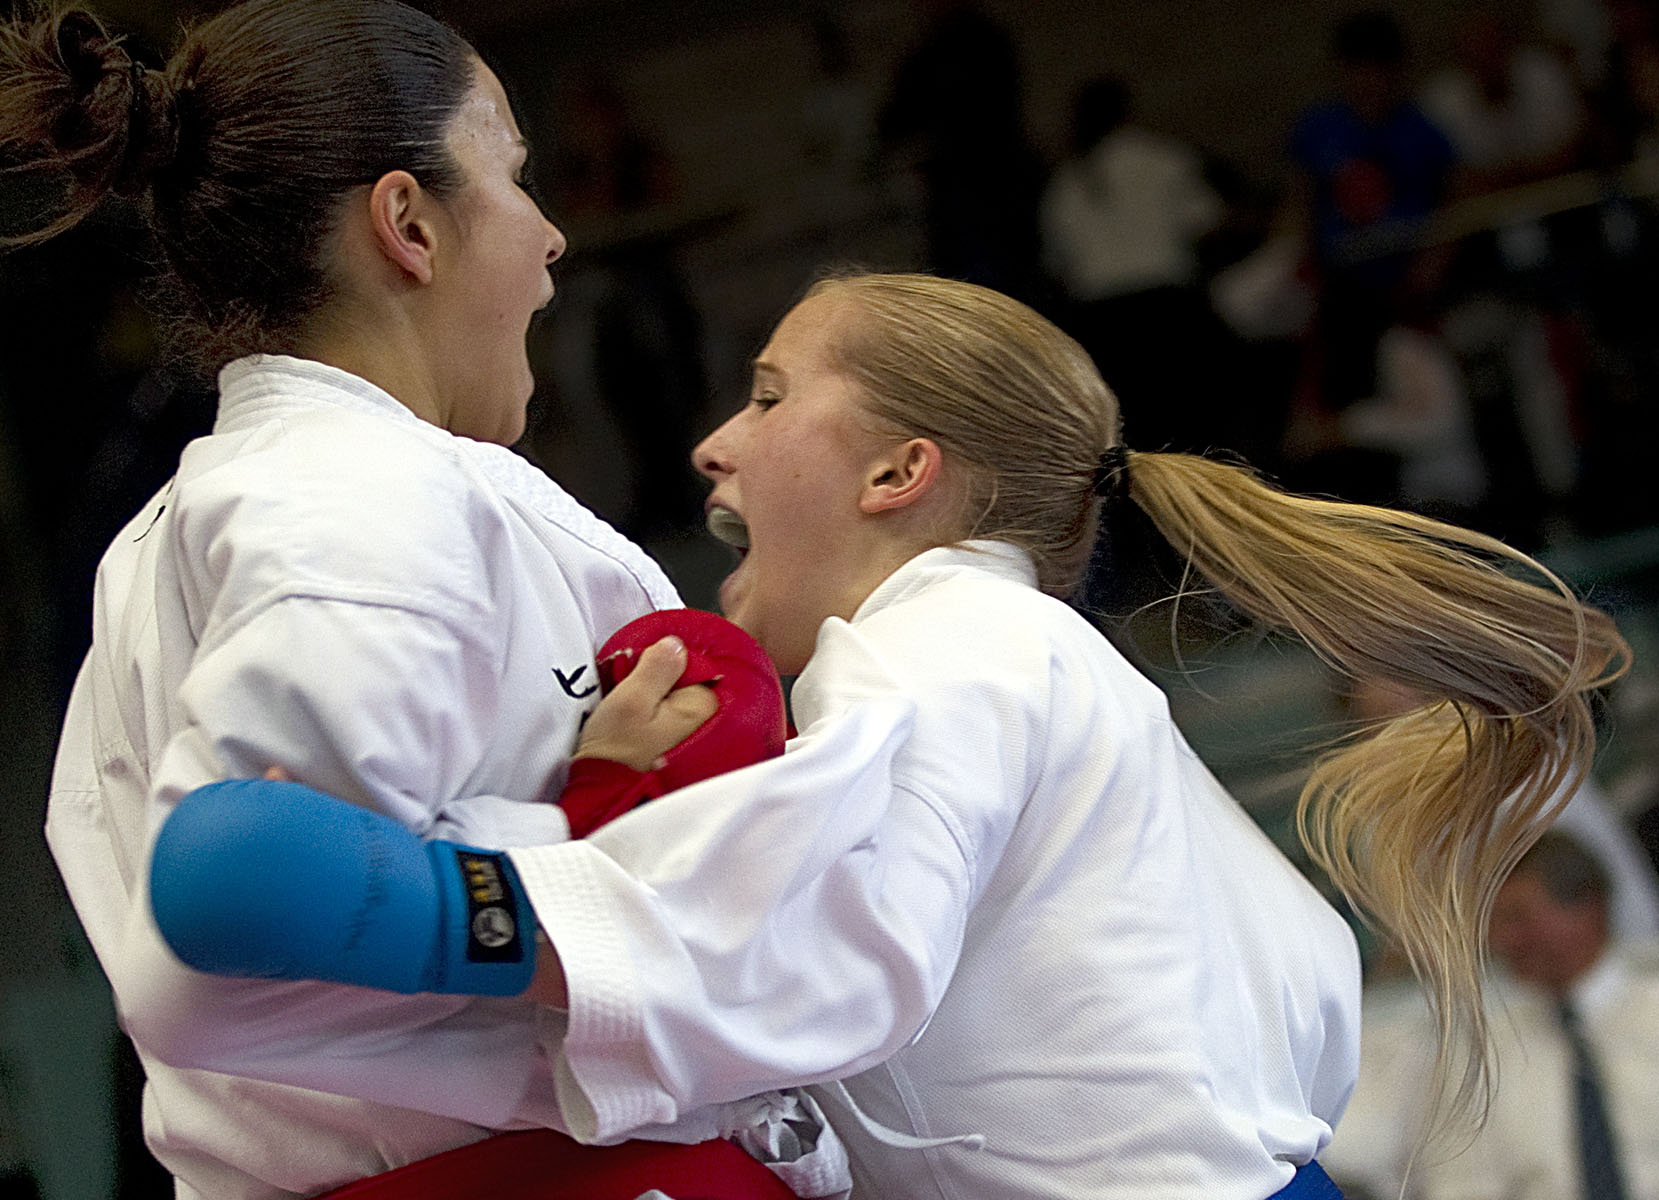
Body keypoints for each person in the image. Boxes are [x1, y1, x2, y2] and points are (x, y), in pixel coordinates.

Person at [153, 271, 1629, 1199]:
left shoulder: (951, 648)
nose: (712, 445)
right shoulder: (1033, 665)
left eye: (771, 395)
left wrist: (431, 904)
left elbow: (813, 937)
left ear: (899, 471)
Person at [2, 2, 835, 1196]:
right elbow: (234, 924)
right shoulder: (348, 491)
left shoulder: (193, 532)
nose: (550, 238)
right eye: (510, 172)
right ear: (408, 224)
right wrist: (601, 842)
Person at [1415, 831, 1659, 1199]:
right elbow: (1457, 1185)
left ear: (1588, 909)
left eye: (1518, 918)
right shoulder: (1481, 1053)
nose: (1502, 940)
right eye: (1492, 924)